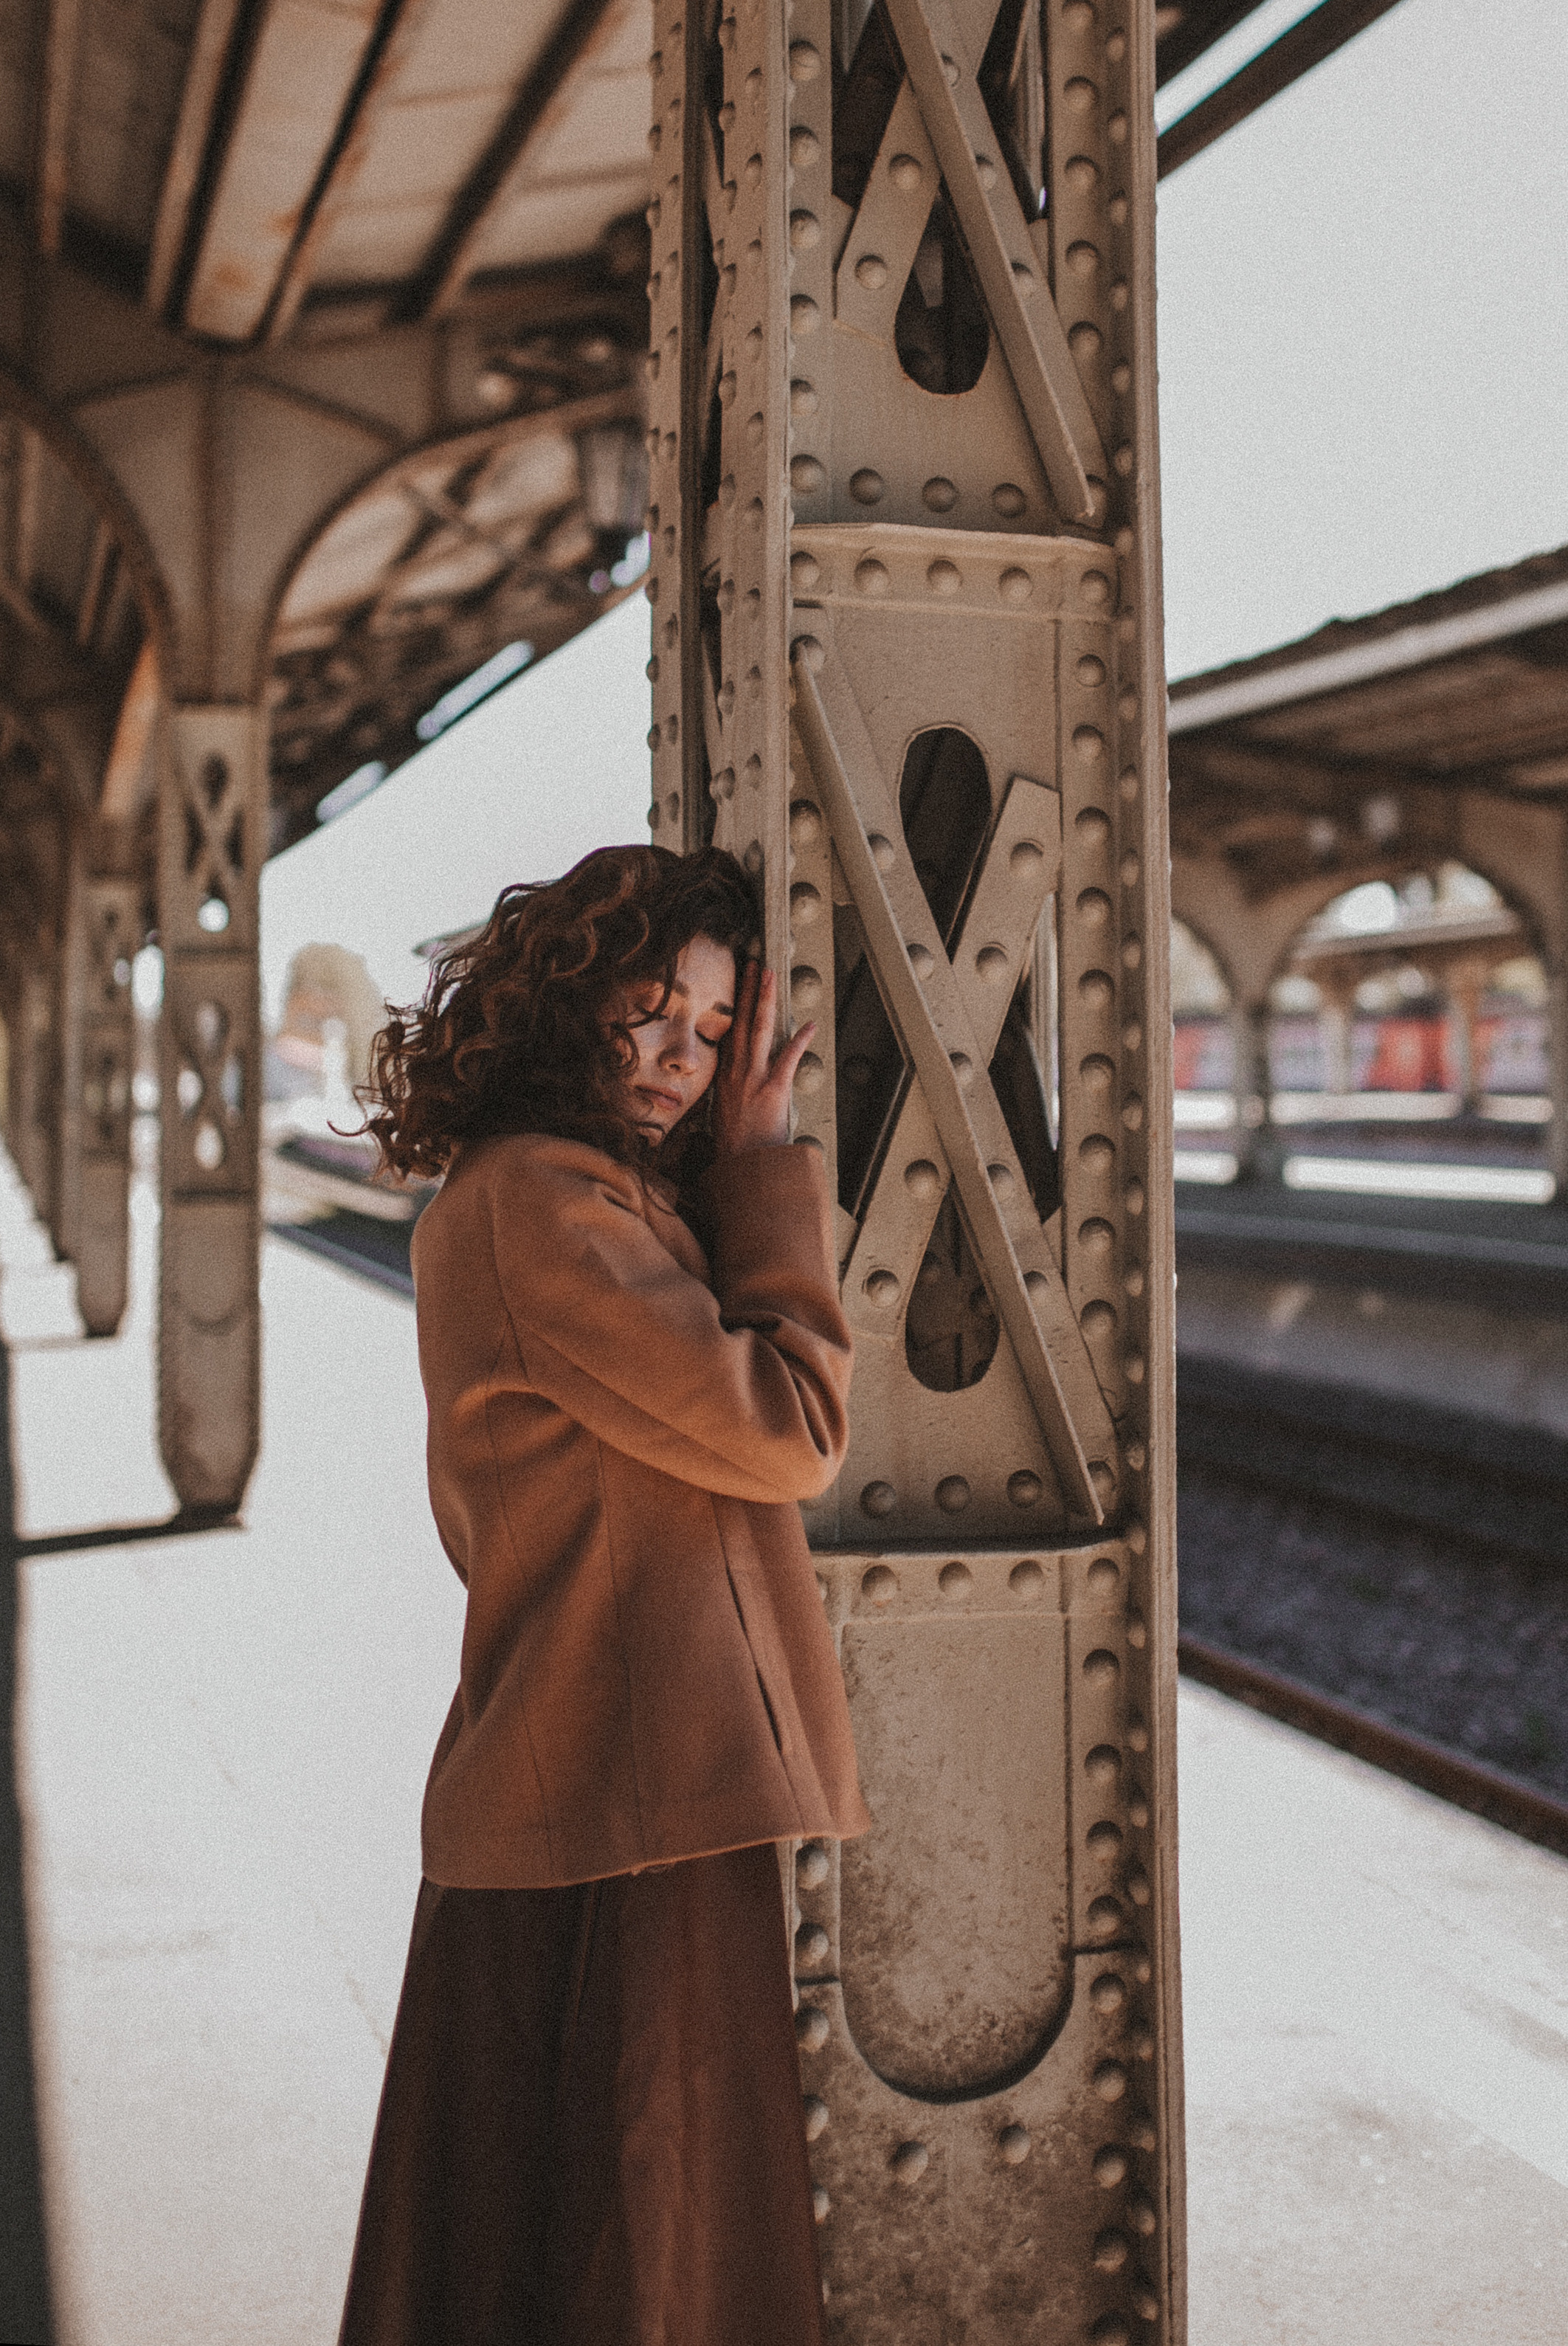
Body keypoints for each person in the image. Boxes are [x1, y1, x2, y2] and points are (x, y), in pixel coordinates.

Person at [338, 843, 869, 2346]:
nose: (678, 1060)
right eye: (647, 1009)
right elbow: (791, 1430)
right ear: (564, 1001)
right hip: (620, 1799)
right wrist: (764, 1171)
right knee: (642, 2256)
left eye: (711, 1035)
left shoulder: (572, 1196)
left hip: (617, 1782)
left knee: (565, 2246)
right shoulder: (542, 1206)